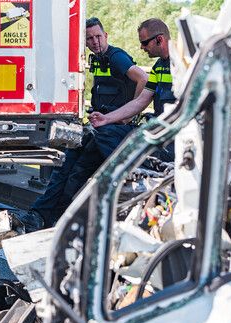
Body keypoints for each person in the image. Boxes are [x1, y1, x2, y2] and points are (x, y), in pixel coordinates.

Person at [22, 17, 148, 231]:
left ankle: (54, 221)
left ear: (106, 36)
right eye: (90, 39)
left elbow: (142, 78)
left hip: (112, 129)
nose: (95, 41)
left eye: (98, 36)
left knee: (75, 174)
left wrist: (126, 116)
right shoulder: (97, 60)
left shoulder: (116, 57)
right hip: (99, 127)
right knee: (64, 170)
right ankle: (40, 216)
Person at [89, 18, 177, 162]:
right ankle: (127, 174)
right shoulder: (158, 66)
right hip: (158, 129)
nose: (142, 47)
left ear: (159, 40)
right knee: (106, 132)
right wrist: (106, 119)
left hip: (175, 135)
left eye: (144, 42)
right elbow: (140, 101)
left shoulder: (183, 64)